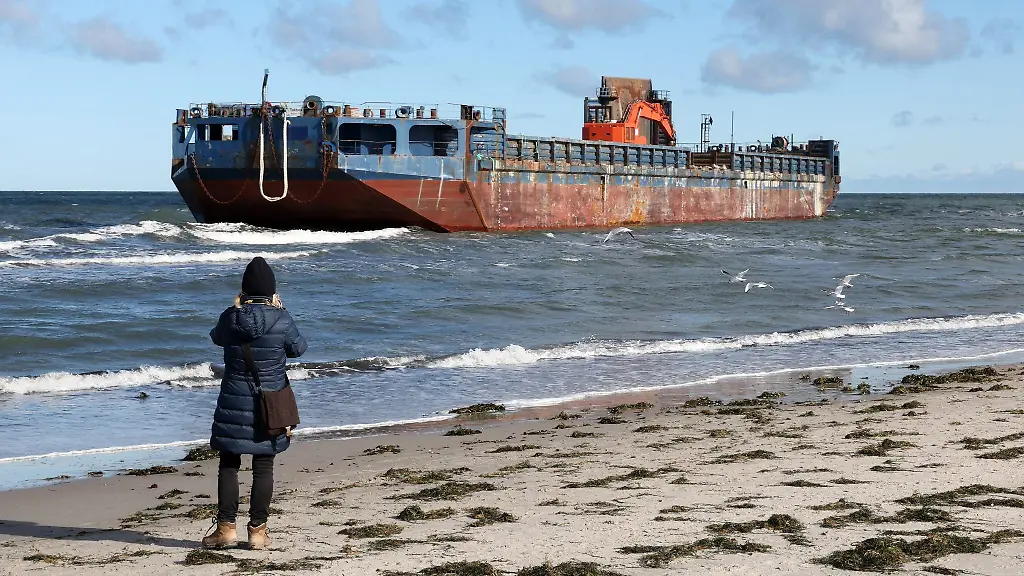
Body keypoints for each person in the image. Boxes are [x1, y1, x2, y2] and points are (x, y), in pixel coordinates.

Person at [202, 256, 307, 550]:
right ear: (272, 293)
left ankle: (226, 529)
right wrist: (280, 310)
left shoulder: (229, 318)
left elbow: (216, 338)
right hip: (270, 405)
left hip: (233, 401)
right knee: (264, 466)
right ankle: (258, 532)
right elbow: (298, 349)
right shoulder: (282, 319)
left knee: (228, 463)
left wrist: (237, 308)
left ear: (244, 291)